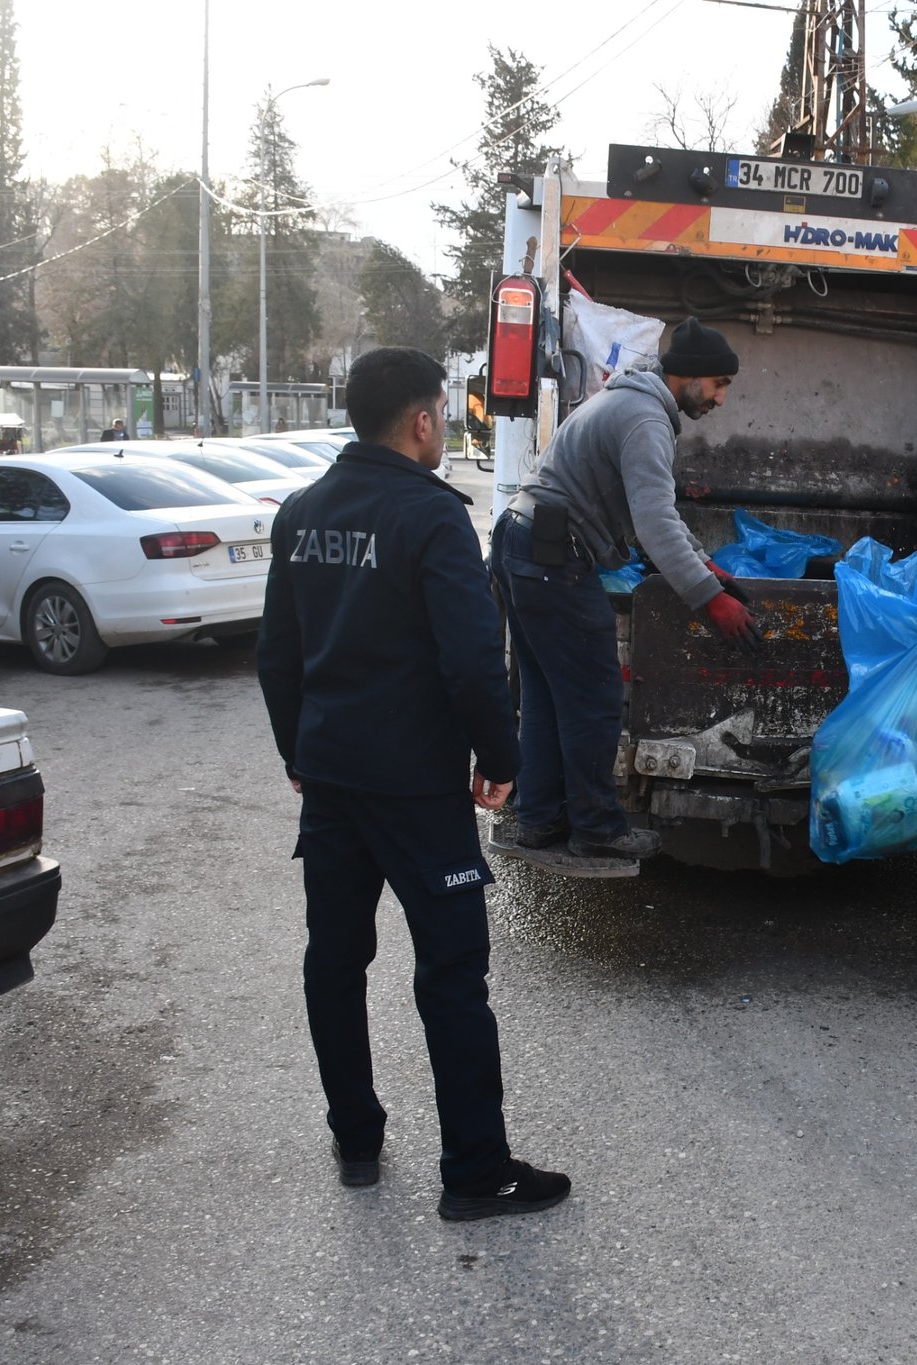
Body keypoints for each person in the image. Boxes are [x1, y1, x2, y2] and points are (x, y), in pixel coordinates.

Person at [256, 347, 568, 1221]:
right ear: (423, 420)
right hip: (417, 788)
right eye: (443, 410)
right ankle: (475, 1170)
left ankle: (355, 1137)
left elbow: (277, 652)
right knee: (453, 973)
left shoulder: (301, 512)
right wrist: (500, 759)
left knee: (335, 960)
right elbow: (472, 661)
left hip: (332, 779)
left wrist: (298, 752)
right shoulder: (431, 517)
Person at [490, 316, 756, 863]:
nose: (721, 399)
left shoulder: (630, 401)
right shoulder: (645, 419)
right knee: (593, 696)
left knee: (546, 695)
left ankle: (540, 819)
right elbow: (654, 525)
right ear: (689, 376)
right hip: (551, 556)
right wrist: (711, 599)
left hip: (524, 541)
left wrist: (708, 565)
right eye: (719, 384)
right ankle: (596, 828)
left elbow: (654, 513)